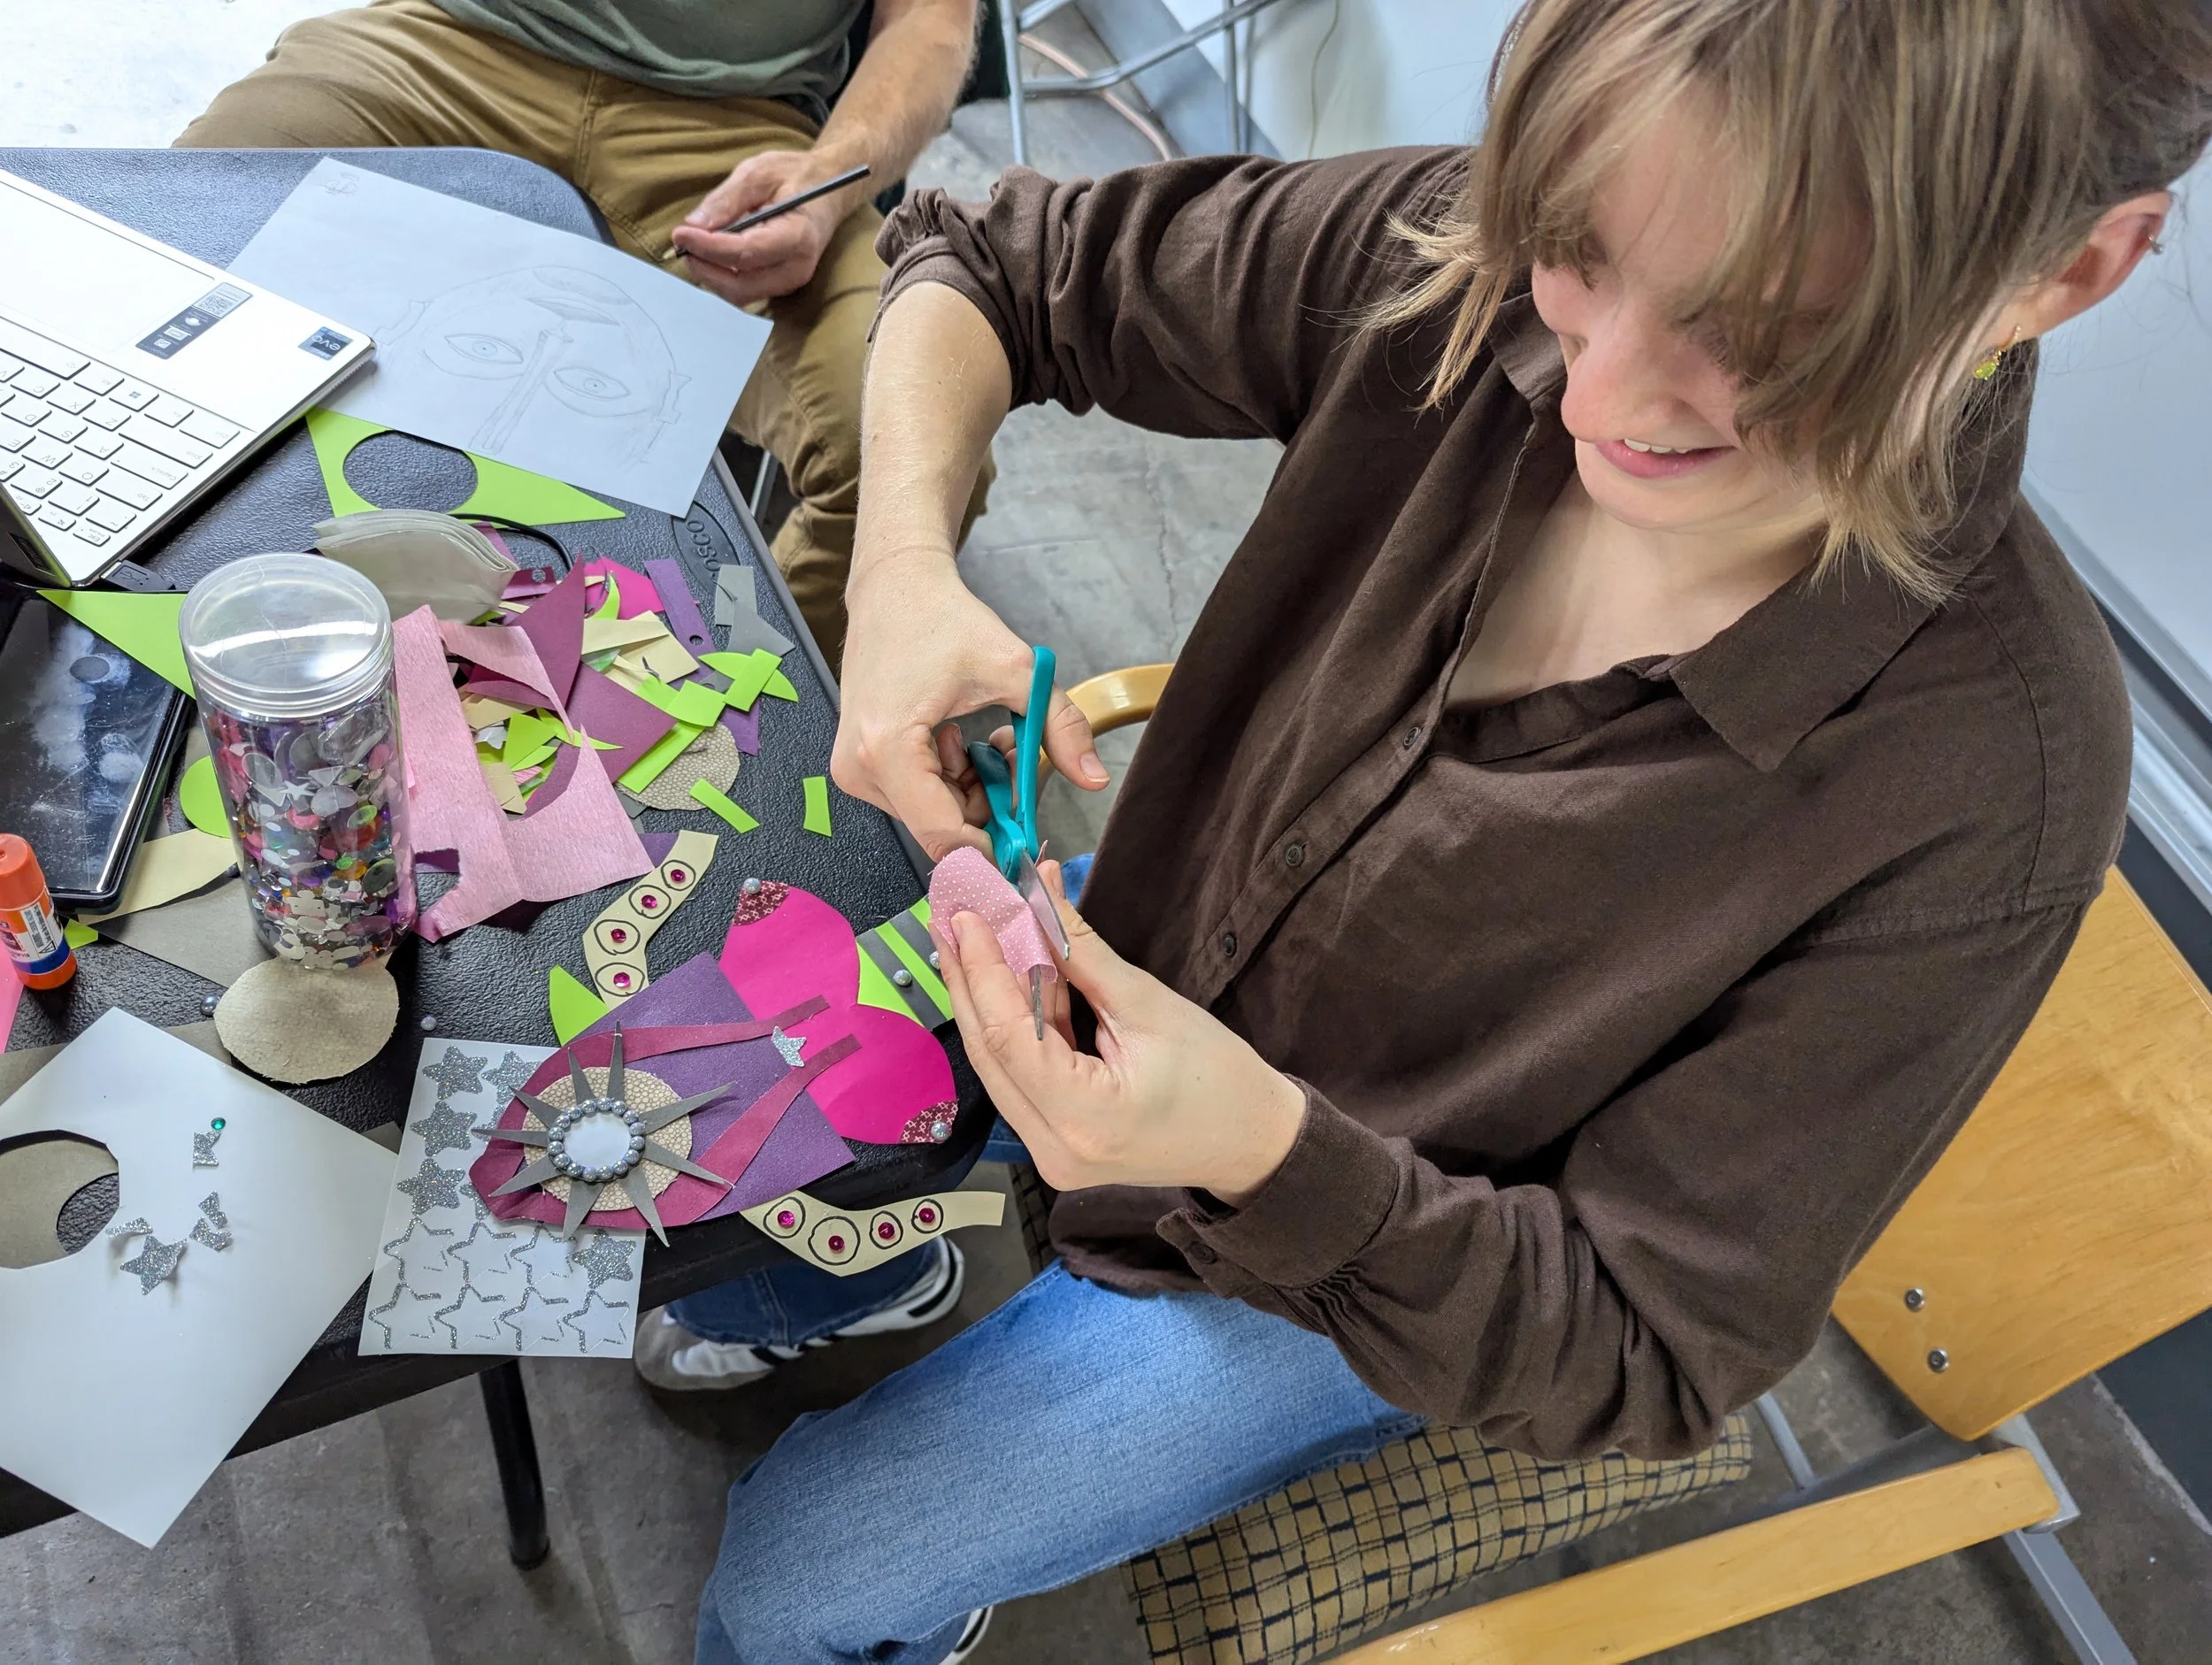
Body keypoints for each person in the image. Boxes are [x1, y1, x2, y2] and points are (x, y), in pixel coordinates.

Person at [682, 0, 2212, 1659]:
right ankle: (850, 1275)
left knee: (796, 1576)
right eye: (1576, 249)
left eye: (1762, 333)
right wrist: (903, 571)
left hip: (1378, 1266)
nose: (1593, 387)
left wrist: (1258, 1143)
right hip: (1136, 956)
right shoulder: (1470, 264)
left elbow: (1642, 1348)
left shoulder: (1992, 778)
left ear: (2068, 270)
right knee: (706, 1126)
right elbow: (988, 258)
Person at [177, 0, 991, 665]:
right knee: (171, 258)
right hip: (452, 43)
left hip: (736, 130)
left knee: (912, 439)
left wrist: (826, 178)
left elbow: (933, 18)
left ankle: (723, 723)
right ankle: (173, 640)